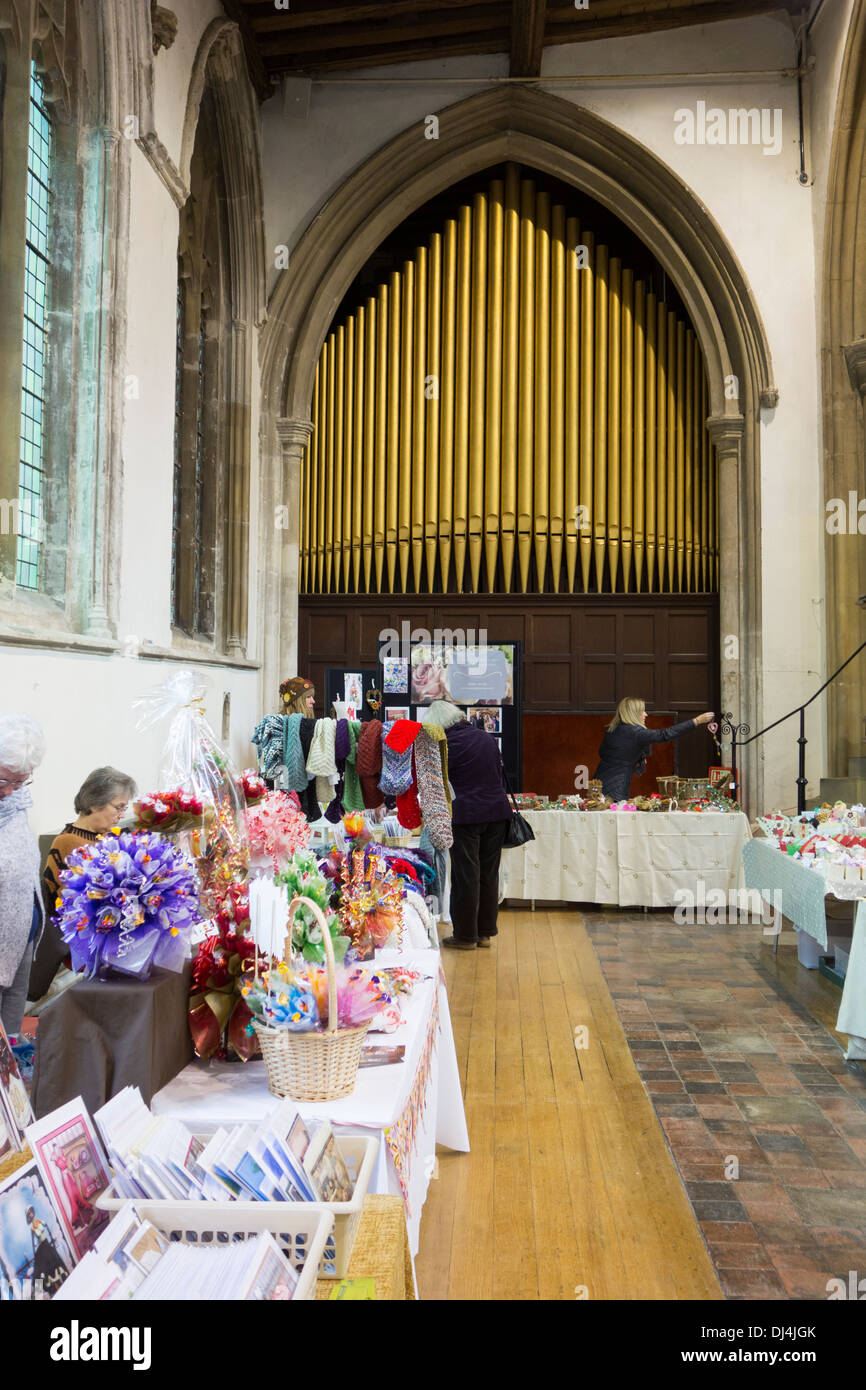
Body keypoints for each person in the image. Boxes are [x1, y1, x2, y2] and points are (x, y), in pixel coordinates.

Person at [32, 766, 137, 1000]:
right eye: (118, 807)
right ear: (94, 803)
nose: (121, 815)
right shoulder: (68, 842)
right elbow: (72, 906)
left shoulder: (108, 837)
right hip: (85, 944)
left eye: (124, 808)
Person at [427, 700, 511, 951]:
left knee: (466, 876)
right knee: (488, 873)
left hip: (465, 816)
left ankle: (465, 936)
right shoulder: (485, 738)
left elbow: (441, 784)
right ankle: (485, 933)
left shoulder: (445, 745)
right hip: (496, 813)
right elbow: (498, 774)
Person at [0, 714, 46, 1038]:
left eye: (21, 781)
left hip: (20, 925)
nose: (13, 791)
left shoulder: (15, 797)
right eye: (6, 781)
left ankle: (9, 1081)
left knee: (13, 1014)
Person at [594, 697, 715, 801]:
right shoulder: (637, 733)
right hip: (617, 788)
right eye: (643, 711)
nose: (646, 714)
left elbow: (603, 753)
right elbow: (664, 734)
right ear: (634, 713)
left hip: (598, 782)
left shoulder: (612, 729)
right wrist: (696, 721)